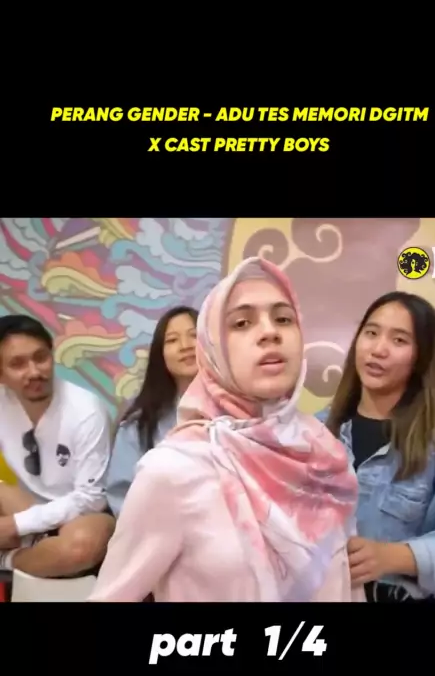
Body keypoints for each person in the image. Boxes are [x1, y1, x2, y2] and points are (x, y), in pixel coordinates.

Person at [89, 257, 362, 603]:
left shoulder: (325, 453)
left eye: (283, 318)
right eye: (242, 323)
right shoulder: (173, 471)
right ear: (212, 348)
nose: (270, 332)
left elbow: (345, 581)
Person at [316, 290, 435, 602]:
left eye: (399, 340)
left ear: (421, 357)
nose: (378, 349)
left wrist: (396, 557)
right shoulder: (316, 432)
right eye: (371, 333)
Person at [0, 315, 115, 577]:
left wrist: (15, 526)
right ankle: (40, 554)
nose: (34, 372)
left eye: (40, 357)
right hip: (25, 505)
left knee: (82, 546)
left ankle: (9, 560)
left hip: (80, 516)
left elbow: (92, 498)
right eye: (17, 364)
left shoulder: (86, 410)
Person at [106, 306, 198, 517]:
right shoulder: (139, 424)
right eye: (172, 340)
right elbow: (122, 495)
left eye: (194, 335)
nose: (185, 346)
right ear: (160, 355)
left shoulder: (240, 411)